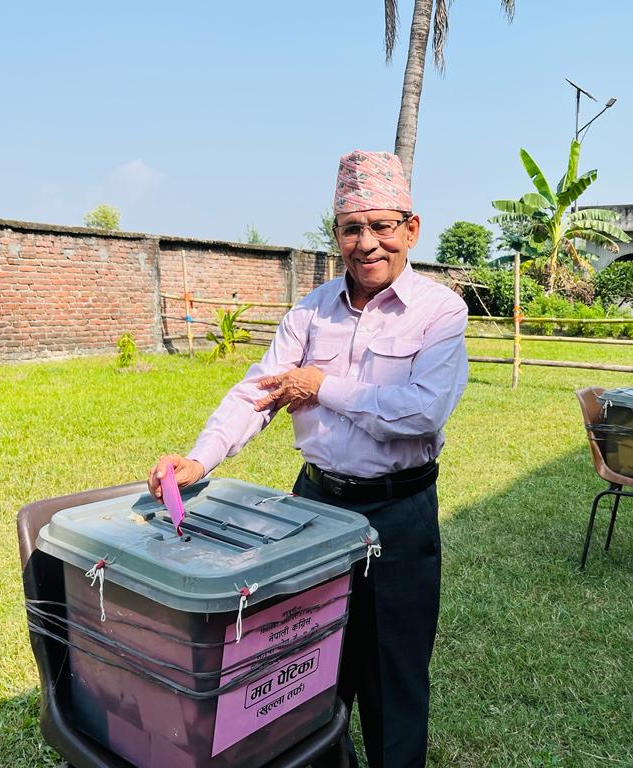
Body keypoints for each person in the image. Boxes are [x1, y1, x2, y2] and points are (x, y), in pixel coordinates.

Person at [148, 150, 469, 768]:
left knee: (392, 672)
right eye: (352, 228)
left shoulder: (440, 311)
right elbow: (257, 393)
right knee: (310, 662)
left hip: (398, 512)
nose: (367, 243)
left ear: (411, 228)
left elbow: (421, 412)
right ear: (337, 236)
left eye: (381, 226)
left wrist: (319, 386)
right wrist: (200, 458)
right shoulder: (310, 310)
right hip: (316, 506)